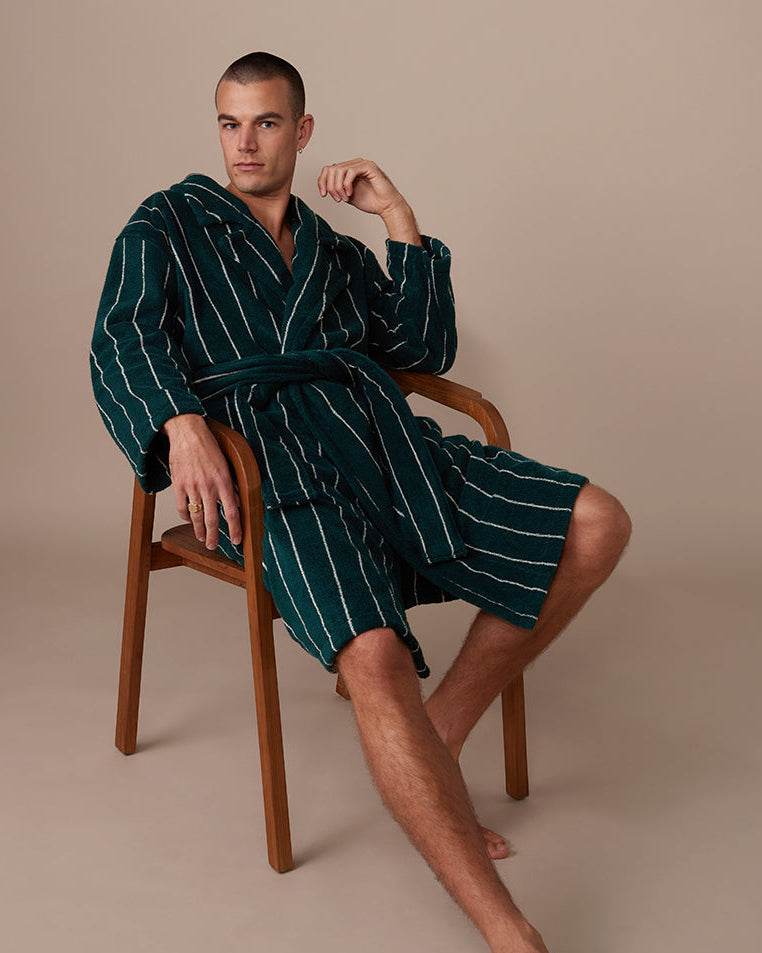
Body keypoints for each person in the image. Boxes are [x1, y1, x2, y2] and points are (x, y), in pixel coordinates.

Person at [91, 51, 631, 953]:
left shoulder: (333, 247)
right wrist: (179, 423)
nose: (245, 143)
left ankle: (444, 726)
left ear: (302, 132)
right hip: (265, 474)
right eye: (230, 123)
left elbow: (425, 345)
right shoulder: (166, 223)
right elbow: (122, 339)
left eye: (266, 123)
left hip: (385, 447)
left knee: (598, 522)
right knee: (374, 656)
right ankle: (508, 930)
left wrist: (398, 217)